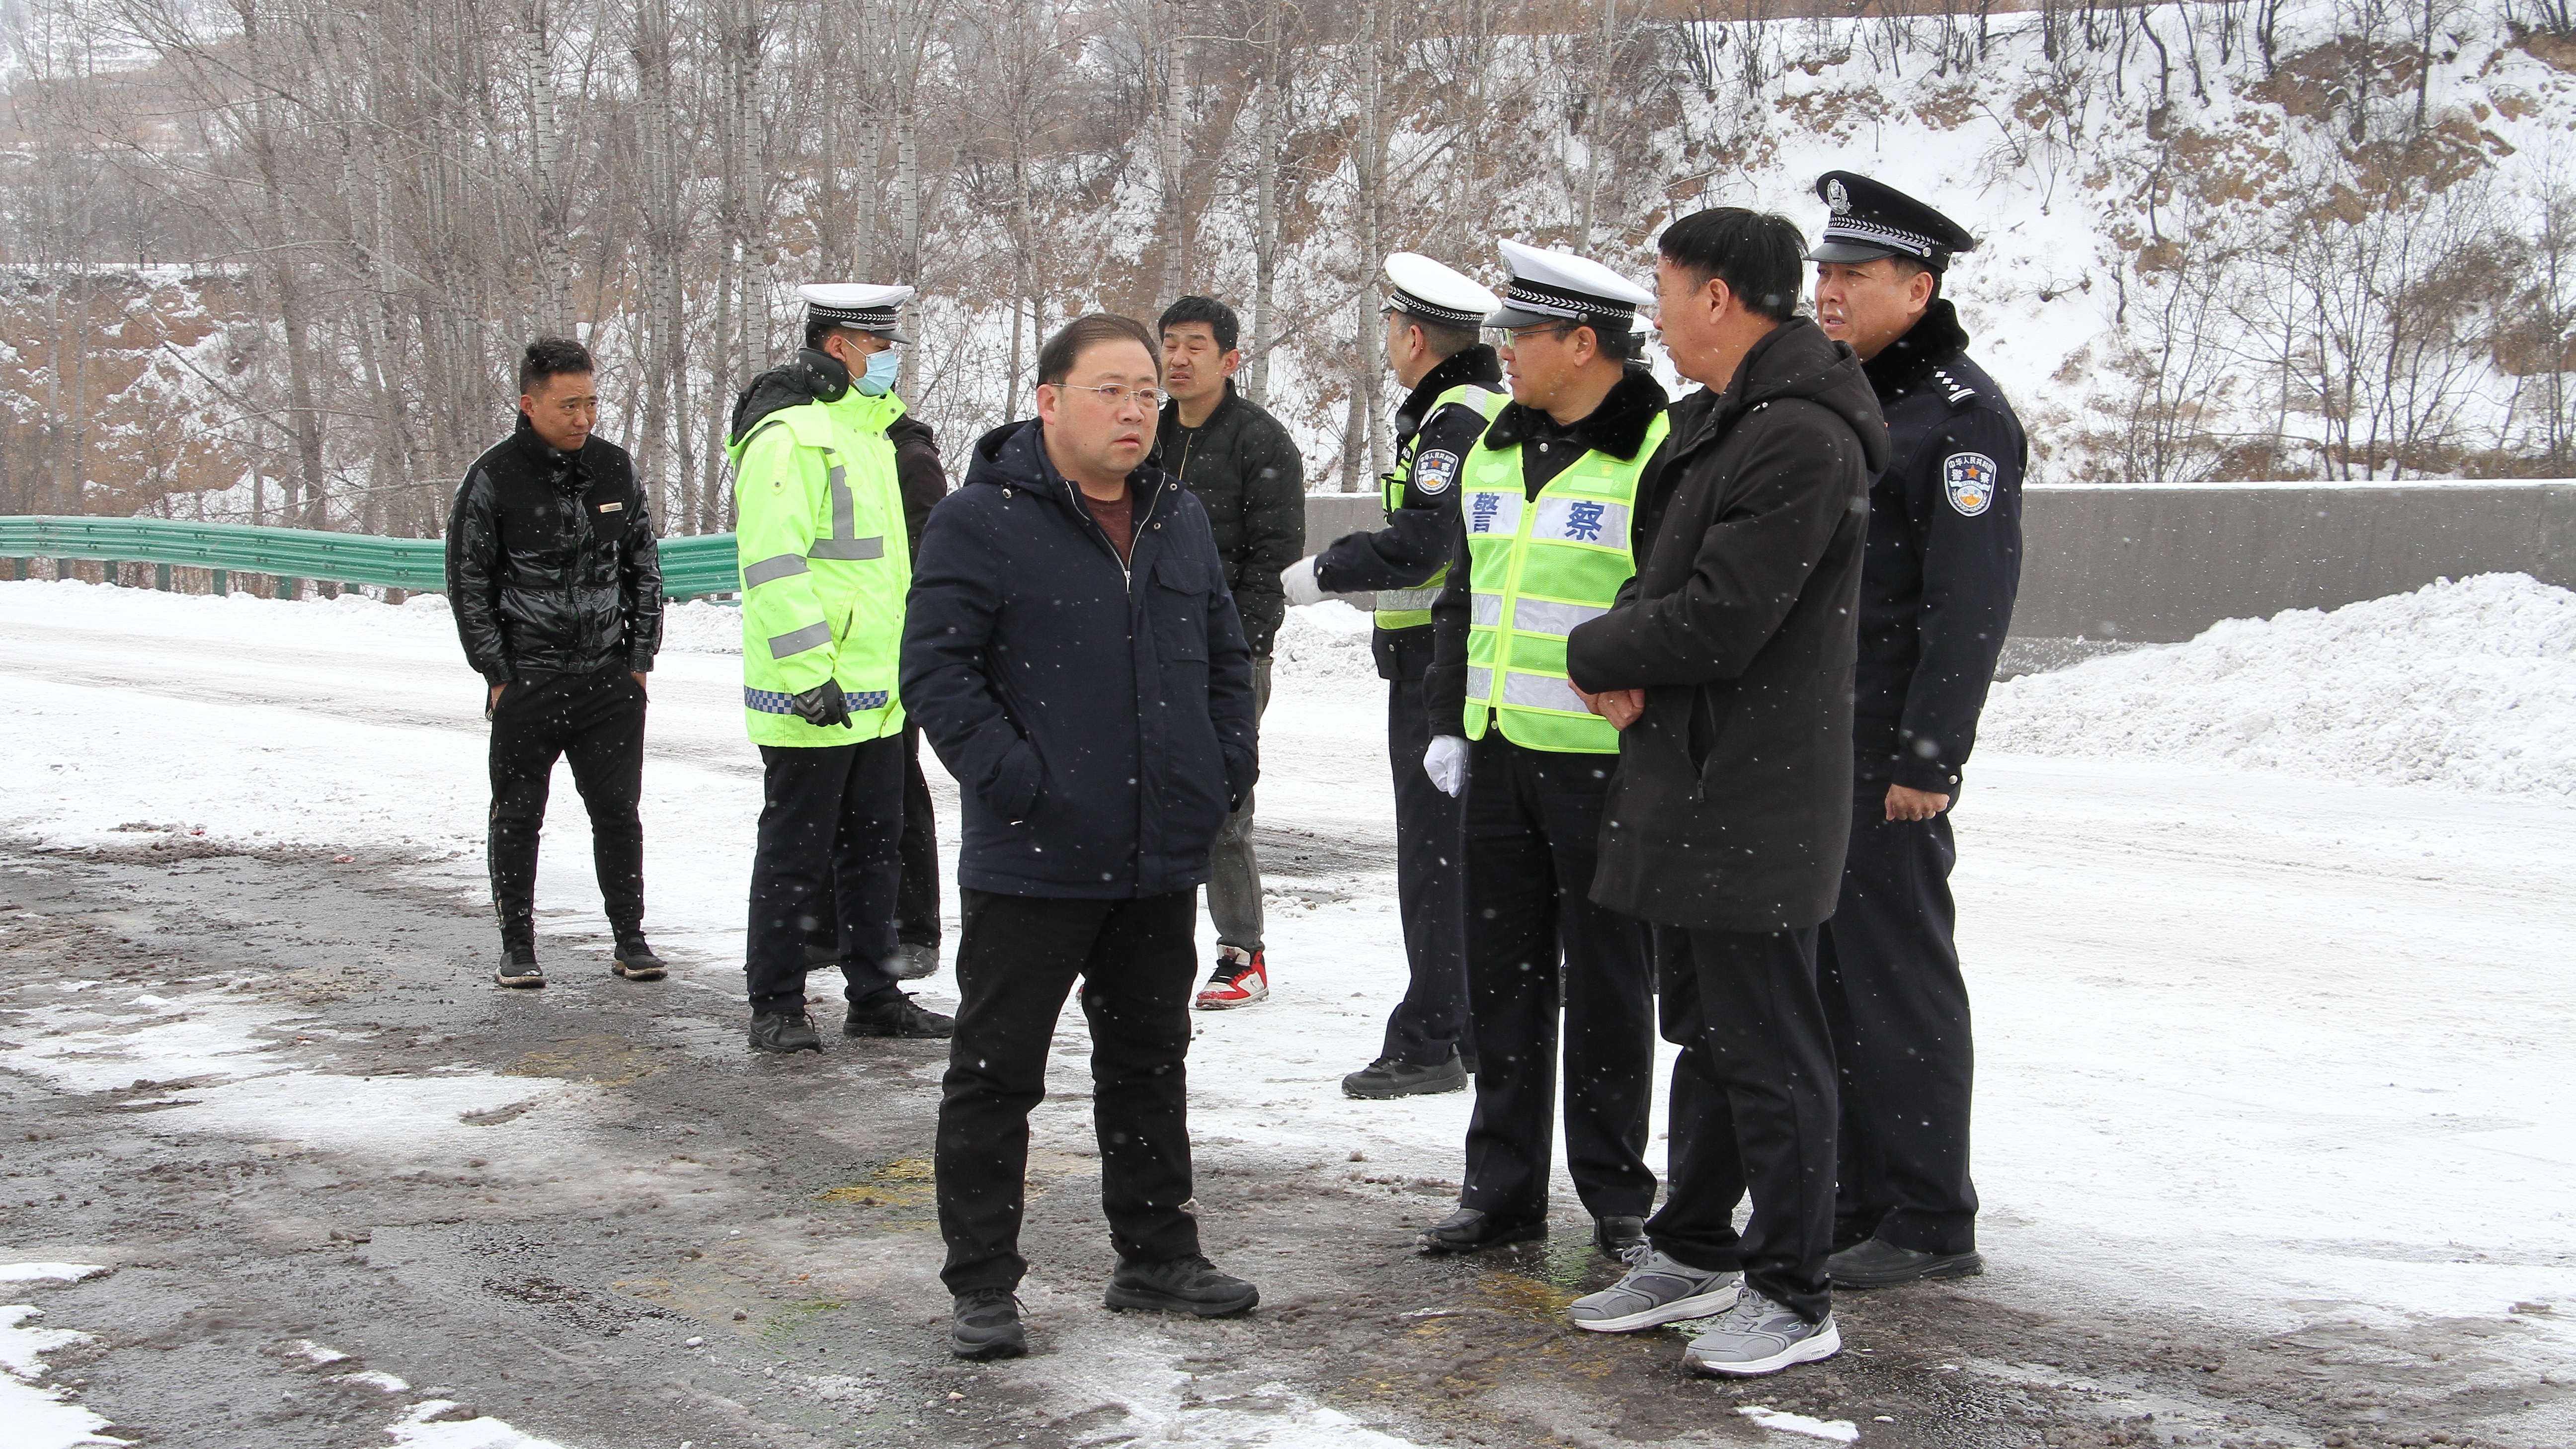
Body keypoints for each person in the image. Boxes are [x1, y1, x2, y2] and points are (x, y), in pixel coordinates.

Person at [1557, 208, 1887, 1377]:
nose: (1652, 311)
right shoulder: (1718, 422)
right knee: (1704, 1029)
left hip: (1756, 786)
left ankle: (1795, 1292)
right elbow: (1675, 588)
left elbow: (1721, 614)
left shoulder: (1799, 438)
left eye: (1662, 288)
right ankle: (1692, 1245)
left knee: (1771, 1043)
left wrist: (1599, 651)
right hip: (1694, 776)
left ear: (1715, 298)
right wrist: (1631, 651)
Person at [905, 313, 1264, 1362]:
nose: (1135, 409)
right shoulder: (982, 519)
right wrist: (1023, 782)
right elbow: (938, 672)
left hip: (1157, 852)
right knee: (997, 1071)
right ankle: (981, 1284)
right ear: (1050, 399)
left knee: (1149, 1059)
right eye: (1111, 389)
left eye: (1148, 392)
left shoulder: (1177, 518)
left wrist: (1219, 771)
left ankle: (1155, 1252)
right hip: (1036, 857)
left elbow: (1223, 662)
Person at [1417, 239, 1668, 1261]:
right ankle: (1501, 1187)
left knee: (1609, 985)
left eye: (1521, 335)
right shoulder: (1493, 443)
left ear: (1582, 341)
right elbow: (1463, 593)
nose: (1504, 352)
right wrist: (1447, 716)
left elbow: (1668, 603)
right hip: (1497, 753)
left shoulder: (1656, 448)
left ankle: (1616, 1195)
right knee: (1501, 981)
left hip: (1603, 763)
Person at [1807, 172, 2025, 1288]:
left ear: (1918, 285)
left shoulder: (1960, 415)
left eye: (1852, 276)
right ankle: (1856, 1198)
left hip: (1889, 754)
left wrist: (1928, 757)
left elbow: (1967, 603)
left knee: (1900, 979)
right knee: (1834, 980)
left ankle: (1933, 1215)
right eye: (1823, 274)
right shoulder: (1854, 397)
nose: (1828, 292)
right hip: (1821, 744)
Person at [1281, 253, 1505, 1100]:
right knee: (1457, 855)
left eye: (1388, 328)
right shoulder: (1476, 408)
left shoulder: (1454, 421)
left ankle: (1432, 1034)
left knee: (1434, 857)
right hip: (1447, 659)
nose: (1385, 343)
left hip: (1437, 666)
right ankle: (1469, 1025)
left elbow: (1423, 543)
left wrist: (1320, 572)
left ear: (1413, 336)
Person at [726, 283, 955, 1053]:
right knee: (795, 852)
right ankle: (778, 1004)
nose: (891, 361)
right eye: (880, 348)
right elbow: (773, 563)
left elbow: (884, 574)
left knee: (873, 850)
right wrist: (805, 672)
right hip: (814, 692)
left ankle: (876, 995)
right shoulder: (789, 437)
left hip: (877, 691)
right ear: (839, 349)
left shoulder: (867, 433)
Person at [445, 336, 664, 990]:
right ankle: (518, 946)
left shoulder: (615, 470)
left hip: (607, 681)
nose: (583, 419)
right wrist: (499, 674)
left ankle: (631, 939)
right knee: (517, 816)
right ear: (529, 404)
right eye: (569, 405)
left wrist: (638, 661)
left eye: (592, 403)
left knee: (619, 814)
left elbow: (645, 571)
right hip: (529, 681)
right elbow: (468, 580)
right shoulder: (495, 478)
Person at [1151, 295, 1305, 1009]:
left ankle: (1241, 954)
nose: (1178, 359)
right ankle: (1147, 941)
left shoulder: (1260, 443)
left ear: (1230, 359)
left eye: (1195, 346)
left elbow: (1272, 560)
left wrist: (1235, 650)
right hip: (1142, 646)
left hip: (1227, 654)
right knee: (1141, 795)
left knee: (1222, 804)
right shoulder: (1146, 435)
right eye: (1170, 345)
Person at [889, 391, 953, 983]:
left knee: (899, 786)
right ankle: (840, 926)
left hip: (892, 646)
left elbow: (932, 552)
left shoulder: (907, 454)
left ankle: (916, 929)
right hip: (845, 650)